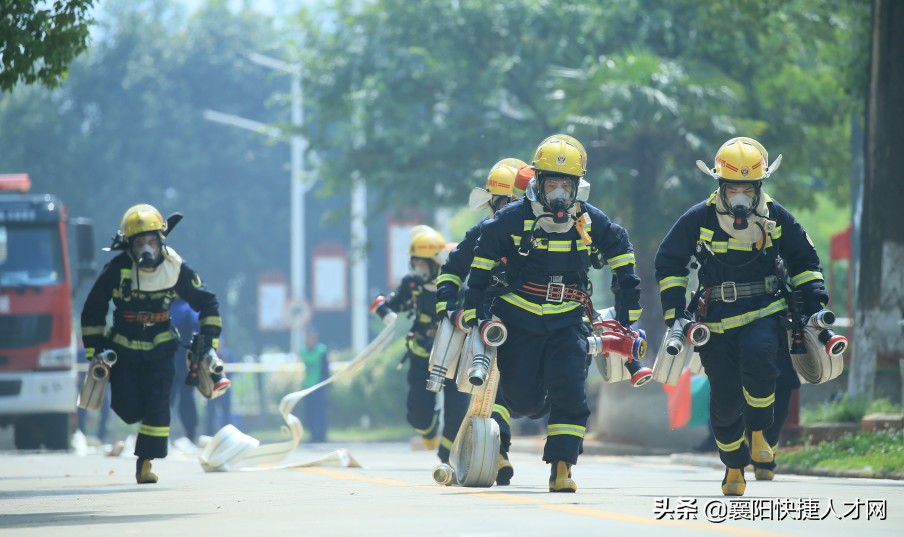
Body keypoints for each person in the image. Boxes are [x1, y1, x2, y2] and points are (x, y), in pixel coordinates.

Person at [461, 136, 643, 492]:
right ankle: (522, 413)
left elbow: (620, 249)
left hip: (568, 321)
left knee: (571, 391)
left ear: (576, 186)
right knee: (522, 397)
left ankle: (562, 466)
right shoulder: (511, 219)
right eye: (552, 184)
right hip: (517, 320)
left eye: (566, 185)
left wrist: (628, 305)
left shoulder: (589, 220)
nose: (559, 193)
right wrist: (476, 311)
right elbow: (481, 266)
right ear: (537, 183)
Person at [654, 137, 829, 496]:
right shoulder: (698, 218)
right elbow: (669, 263)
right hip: (714, 320)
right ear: (721, 185)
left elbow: (805, 262)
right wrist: (675, 313)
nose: (740, 197)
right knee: (724, 399)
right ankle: (734, 467)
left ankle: (761, 433)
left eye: (747, 188)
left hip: (763, 311)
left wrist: (815, 302)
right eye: (733, 187)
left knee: (761, 358)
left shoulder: (776, 217)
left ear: (759, 186)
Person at [80, 204, 230, 484]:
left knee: (158, 404)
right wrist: (95, 351)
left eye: (151, 240)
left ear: (161, 240)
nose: (147, 247)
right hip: (122, 348)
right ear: (130, 245)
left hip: (161, 348)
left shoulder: (176, 268)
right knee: (127, 408)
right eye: (140, 242)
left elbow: (207, 302)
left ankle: (145, 463)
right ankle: (141, 441)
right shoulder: (116, 269)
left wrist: (208, 342)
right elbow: (92, 310)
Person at [436, 156, 532, 486]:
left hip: (538, 327)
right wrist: (450, 309)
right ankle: (499, 450)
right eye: (505, 203)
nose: (511, 210)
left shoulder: (544, 236)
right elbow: (450, 271)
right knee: (495, 390)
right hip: (491, 323)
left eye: (517, 203)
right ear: (493, 203)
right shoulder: (481, 234)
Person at [370, 226, 469, 464]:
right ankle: (428, 429)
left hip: (453, 354)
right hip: (422, 353)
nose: (416, 268)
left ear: (436, 263)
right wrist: (383, 309)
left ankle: (447, 457)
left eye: (421, 263)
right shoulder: (412, 285)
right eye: (414, 262)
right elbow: (395, 304)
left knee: (457, 410)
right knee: (417, 413)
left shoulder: (456, 286)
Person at [170, 298, 199, 444]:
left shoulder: (161, 307)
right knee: (187, 399)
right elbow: (198, 324)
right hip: (184, 364)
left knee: (163, 401)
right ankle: (190, 434)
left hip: (164, 363)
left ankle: (157, 435)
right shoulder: (187, 308)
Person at [300, 326, 330, 443]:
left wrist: (327, 386)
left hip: (319, 386)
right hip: (308, 386)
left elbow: (326, 369)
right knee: (309, 412)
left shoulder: (321, 350)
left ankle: (322, 435)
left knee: (320, 412)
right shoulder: (304, 351)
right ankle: (313, 435)